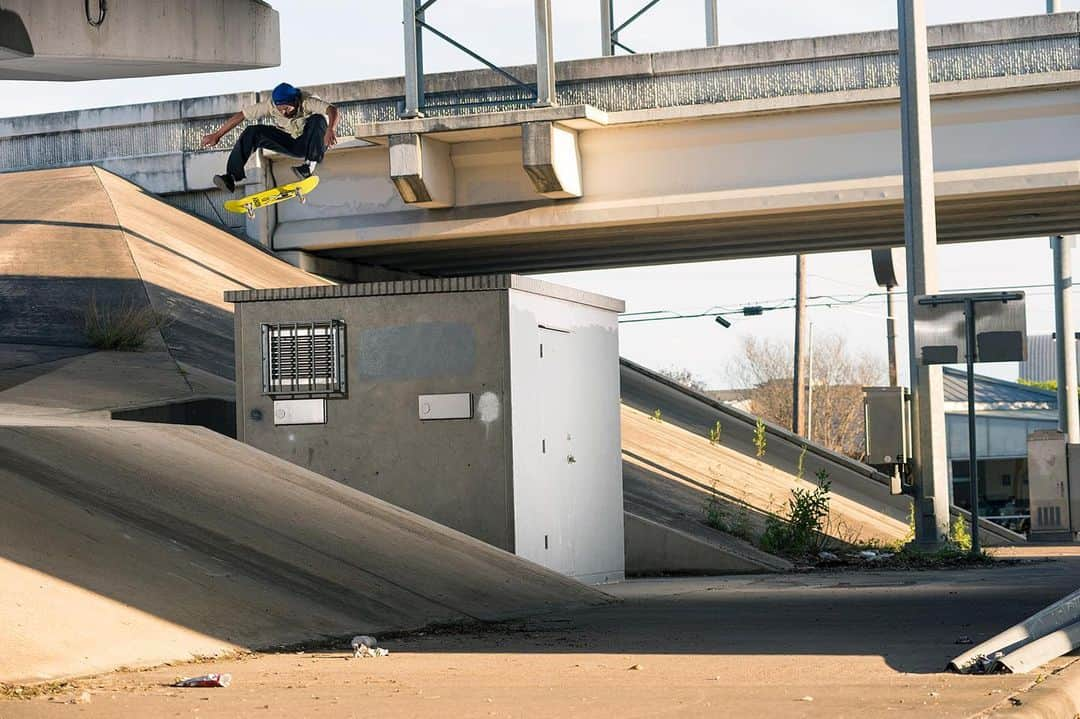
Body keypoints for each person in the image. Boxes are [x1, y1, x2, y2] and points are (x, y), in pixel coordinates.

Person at [201, 82, 339, 193]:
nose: (283, 113)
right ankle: (231, 176)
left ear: (296, 101)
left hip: (315, 141)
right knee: (253, 131)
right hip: (293, 142)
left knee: (318, 119)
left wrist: (330, 129)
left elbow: (332, 110)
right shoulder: (270, 106)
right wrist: (217, 135)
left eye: (287, 109)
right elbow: (242, 115)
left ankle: (308, 167)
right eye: (280, 110)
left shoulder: (307, 100)